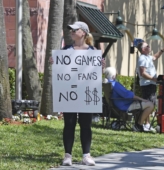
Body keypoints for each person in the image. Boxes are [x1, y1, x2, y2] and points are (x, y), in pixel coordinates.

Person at [56, 21, 105, 166]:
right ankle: (67, 155)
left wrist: (101, 67)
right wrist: (55, 62)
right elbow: (61, 71)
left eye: (74, 30)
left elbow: (96, 74)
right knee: (69, 124)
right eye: (70, 30)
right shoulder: (65, 51)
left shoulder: (93, 52)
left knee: (86, 124)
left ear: (83, 32)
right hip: (69, 92)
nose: (71, 32)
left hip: (86, 93)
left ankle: (86, 155)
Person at [104, 67, 154, 132]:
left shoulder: (108, 83)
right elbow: (128, 95)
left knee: (143, 104)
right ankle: (138, 125)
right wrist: (142, 99)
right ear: (113, 76)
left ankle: (138, 124)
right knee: (150, 105)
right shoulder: (115, 84)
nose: (117, 75)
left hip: (119, 104)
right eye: (116, 74)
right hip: (125, 106)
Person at [137, 42, 164, 131]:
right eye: (147, 46)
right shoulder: (142, 58)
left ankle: (145, 123)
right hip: (147, 84)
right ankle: (144, 123)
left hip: (150, 84)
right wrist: (154, 79)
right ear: (143, 49)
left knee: (151, 103)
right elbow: (142, 73)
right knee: (149, 104)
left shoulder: (147, 57)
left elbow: (155, 57)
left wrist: (163, 49)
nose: (149, 46)